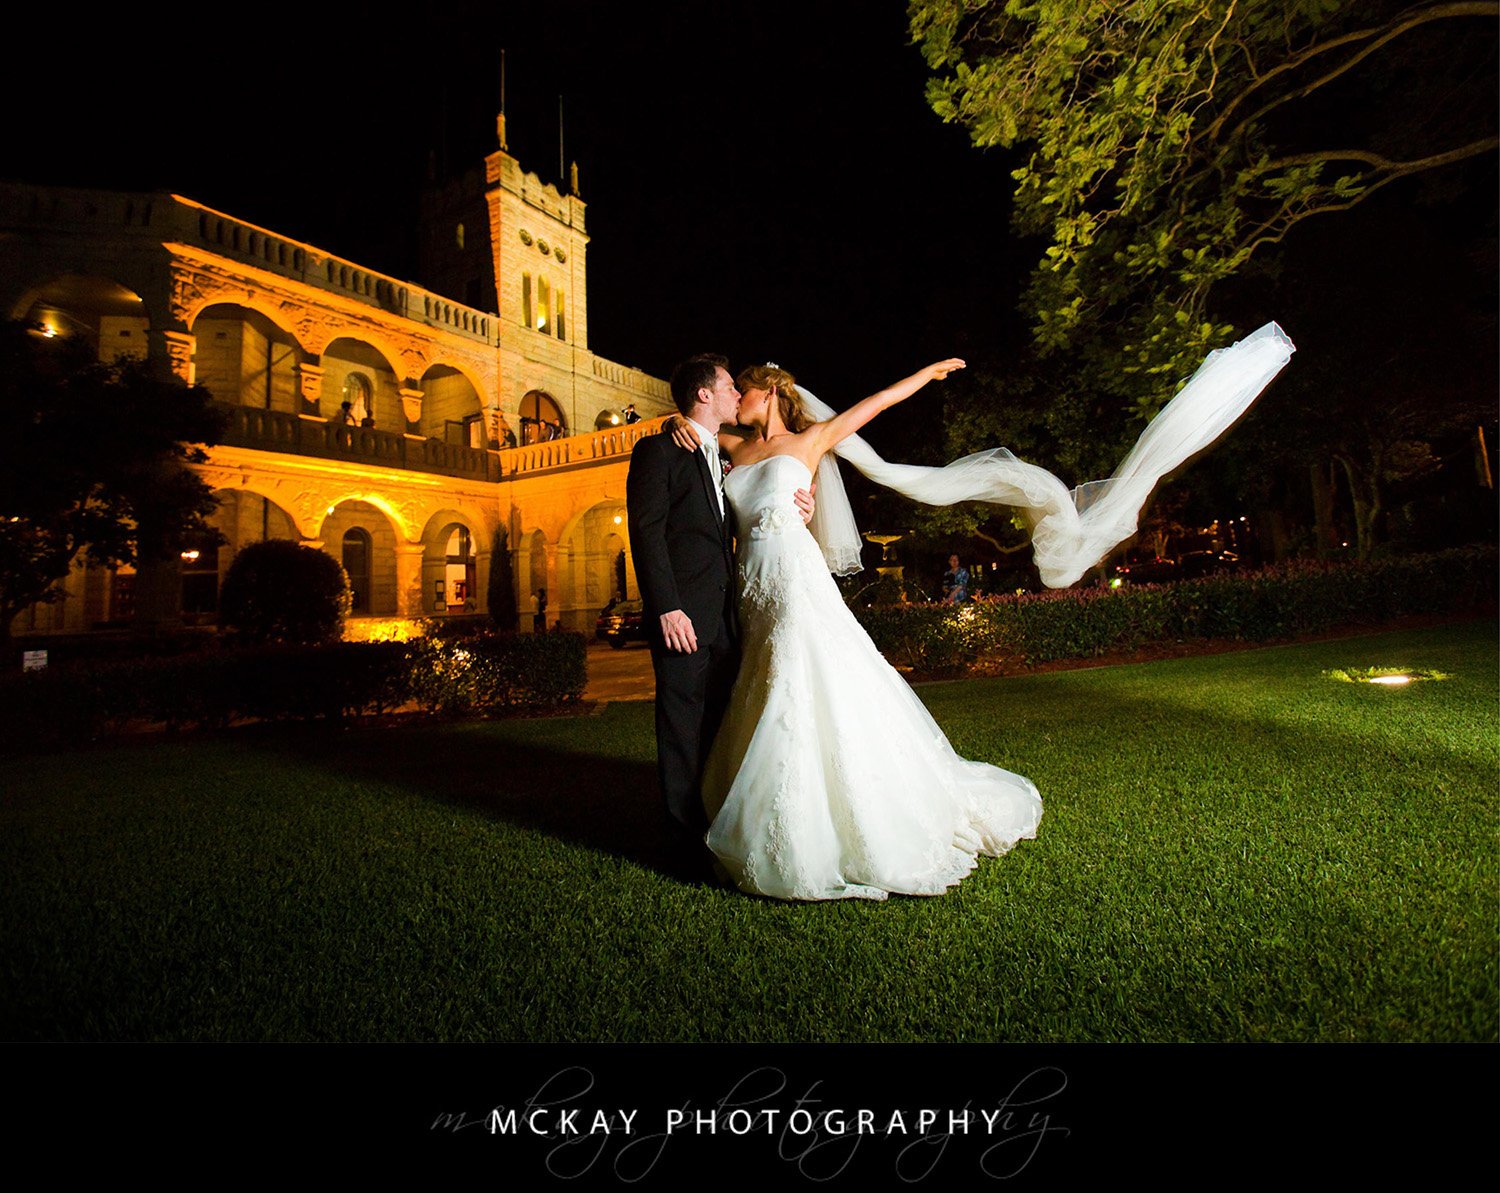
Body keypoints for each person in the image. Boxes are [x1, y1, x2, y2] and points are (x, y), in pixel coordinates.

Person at [671, 323, 1294, 900]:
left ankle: (816, 822)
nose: (736, 399)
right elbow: (693, 448)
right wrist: (678, 426)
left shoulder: (810, 441)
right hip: (749, 582)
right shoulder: (727, 447)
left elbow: (876, 404)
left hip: (793, 576)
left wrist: (926, 374)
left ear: (770, 393)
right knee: (768, 678)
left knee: (799, 675)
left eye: (743, 391)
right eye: (729, 393)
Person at [626, 354, 813, 873]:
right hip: (682, 616)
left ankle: (715, 821)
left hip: (727, 615)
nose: (738, 394)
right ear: (704, 395)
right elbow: (646, 533)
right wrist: (666, 608)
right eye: (730, 386)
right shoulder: (659, 449)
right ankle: (682, 841)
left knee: (719, 721)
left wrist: (802, 508)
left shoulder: (719, 455)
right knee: (681, 723)